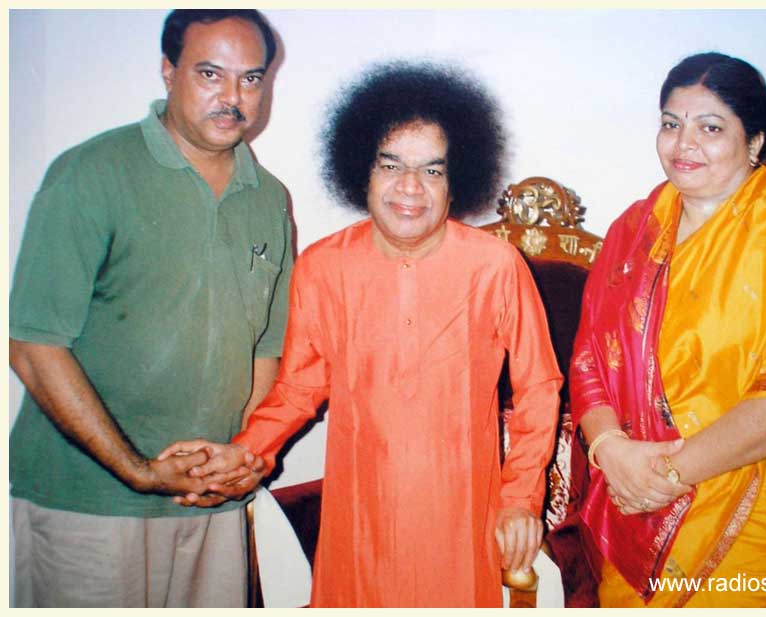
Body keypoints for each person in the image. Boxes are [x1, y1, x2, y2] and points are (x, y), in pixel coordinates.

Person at [160, 61, 563, 607]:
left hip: (461, 518)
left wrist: (520, 498)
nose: (409, 188)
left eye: (432, 171)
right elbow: (300, 388)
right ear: (363, 171)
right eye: (391, 164)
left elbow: (539, 387)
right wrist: (245, 452)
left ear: (455, 181)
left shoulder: (494, 265)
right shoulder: (323, 267)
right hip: (361, 518)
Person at [9, 9, 292, 607]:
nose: (233, 97)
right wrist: (135, 469)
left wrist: (245, 455)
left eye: (251, 78)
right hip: (89, 502)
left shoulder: (268, 197)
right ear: (168, 71)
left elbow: (265, 346)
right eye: (211, 74)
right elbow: (34, 349)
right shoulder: (90, 173)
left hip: (213, 501)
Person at [569, 52, 766, 607]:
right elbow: (589, 357)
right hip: (635, 489)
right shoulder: (633, 228)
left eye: (711, 127)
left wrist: (666, 475)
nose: (684, 144)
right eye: (671, 124)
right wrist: (609, 448)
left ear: (754, 142)